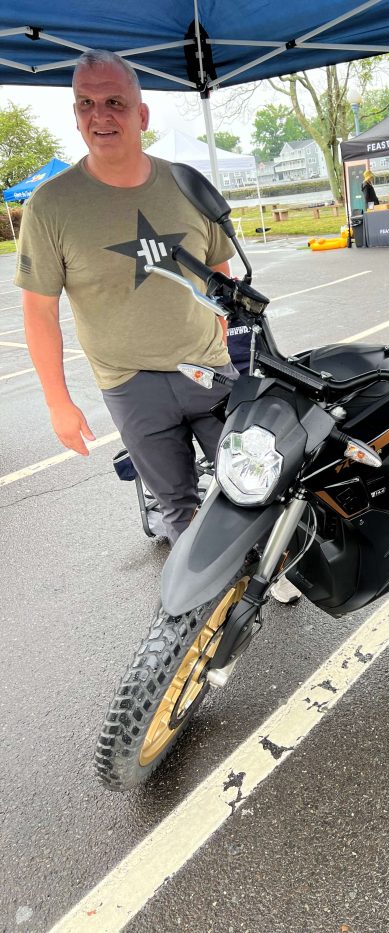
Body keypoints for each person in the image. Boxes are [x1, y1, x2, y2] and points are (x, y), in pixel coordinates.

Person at [15, 50, 301, 602]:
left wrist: (226, 339)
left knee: (254, 479)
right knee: (175, 503)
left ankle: (268, 569)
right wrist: (58, 401)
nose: (102, 115)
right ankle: (205, 598)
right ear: (76, 116)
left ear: (142, 115)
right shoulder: (51, 206)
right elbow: (38, 310)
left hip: (211, 368)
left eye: (115, 102)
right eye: (87, 104)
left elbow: (221, 269)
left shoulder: (186, 185)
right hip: (129, 383)